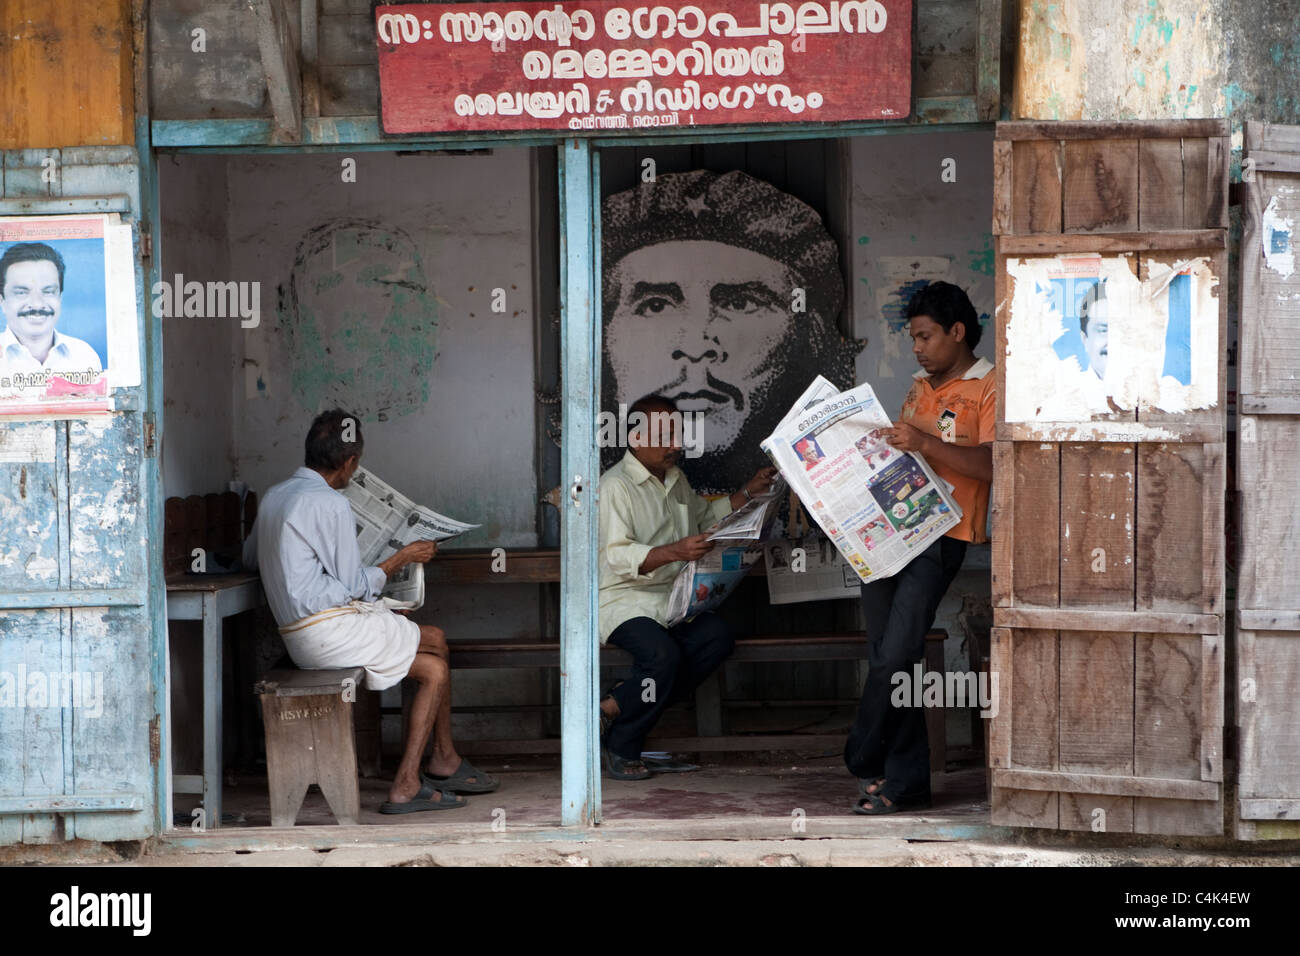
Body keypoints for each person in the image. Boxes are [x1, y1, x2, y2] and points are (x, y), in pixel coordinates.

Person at [243, 409, 497, 813]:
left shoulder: (275, 495)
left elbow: (249, 558)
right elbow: (354, 586)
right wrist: (402, 558)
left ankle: (443, 757)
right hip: (326, 634)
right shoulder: (329, 503)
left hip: (301, 632)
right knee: (434, 669)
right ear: (349, 463)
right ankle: (407, 784)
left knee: (435, 640)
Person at [602, 169, 860, 495]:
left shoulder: (675, 484)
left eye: (739, 303)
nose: (697, 347)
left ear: (804, 335)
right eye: (655, 306)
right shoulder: (609, 492)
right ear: (602, 339)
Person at [847, 281, 994, 815]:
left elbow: (994, 464)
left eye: (926, 337)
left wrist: (925, 443)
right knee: (892, 656)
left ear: (957, 333)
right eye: (913, 338)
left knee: (896, 652)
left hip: (942, 537)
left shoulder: (989, 386)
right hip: (889, 531)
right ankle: (905, 783)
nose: (918, 348)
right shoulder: (917, 388)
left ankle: (863, 753)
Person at [598, 393, 778, 779]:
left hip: (673, 599)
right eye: (665, 435)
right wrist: (673, 551)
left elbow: (706, 516)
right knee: (662, 657)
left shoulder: (676, 479)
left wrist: (749, 492)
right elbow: (618, 556)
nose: (676, 444)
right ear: (635, 436)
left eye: (676, 433)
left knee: (717, 636)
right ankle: (622, 746)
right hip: (624, 600)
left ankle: (613, 706)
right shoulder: (614, 487)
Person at [0, 242, 103, 379]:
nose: (37, 304)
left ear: (60, 298)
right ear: (2, 301)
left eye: (48, 292)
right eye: (21, 292)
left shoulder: (84, 356)